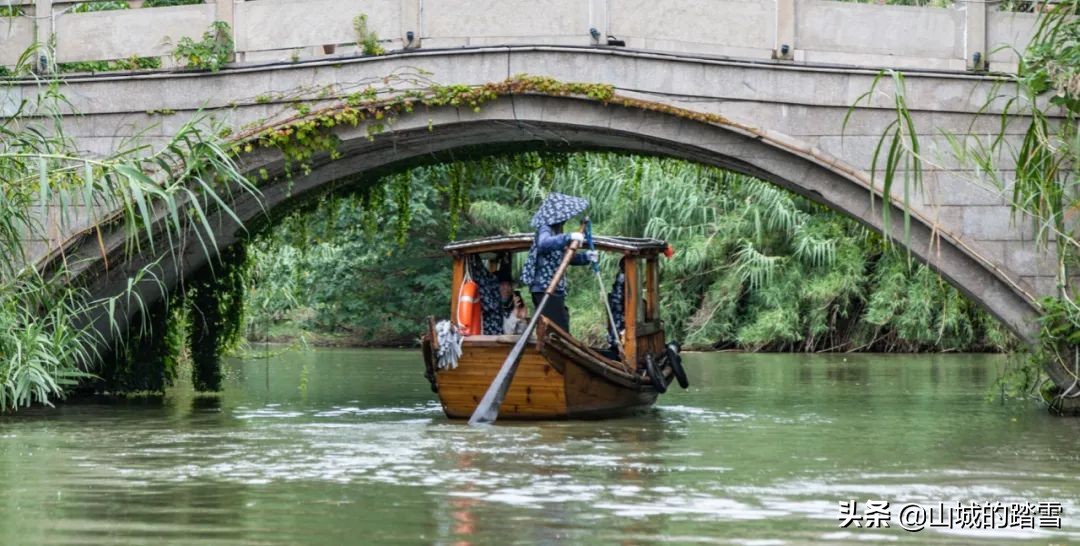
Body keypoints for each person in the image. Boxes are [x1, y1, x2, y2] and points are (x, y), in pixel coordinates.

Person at [520, 192, 598, 333]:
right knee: (557, 329)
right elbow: (543, 243)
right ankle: (561, 349)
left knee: (562, 321)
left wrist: (586, 257)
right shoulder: (545, 228)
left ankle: (563, 348)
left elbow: (565, 258)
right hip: (544, 288)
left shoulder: (557, 232)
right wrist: (569, 236)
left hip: (555, 288)